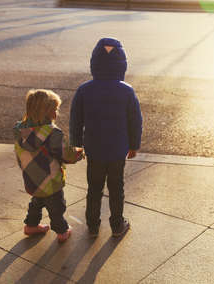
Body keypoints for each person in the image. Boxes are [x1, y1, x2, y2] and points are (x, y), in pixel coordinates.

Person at [69, 37, 143, 238]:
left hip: (94, 149)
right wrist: (134, 145)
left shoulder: (85, 90)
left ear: (94, 63)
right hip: (118, 150)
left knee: (94, 189)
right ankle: (117, 225)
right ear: (122, 64)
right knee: (116, 189)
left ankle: (93, 226)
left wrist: (76, 143)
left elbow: (76, 119)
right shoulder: (126, 91)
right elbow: (135, 121)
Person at [14, 89, 82, 243]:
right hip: (50, 179)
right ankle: (62, 230)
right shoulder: (52, 134)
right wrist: (79, 153)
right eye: (55, 109)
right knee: (57, 206)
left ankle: (31, 225)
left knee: (37, 202)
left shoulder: (20, 131)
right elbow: (67, 155)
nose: (56, 113)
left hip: (31, 177)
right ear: (47, 112)